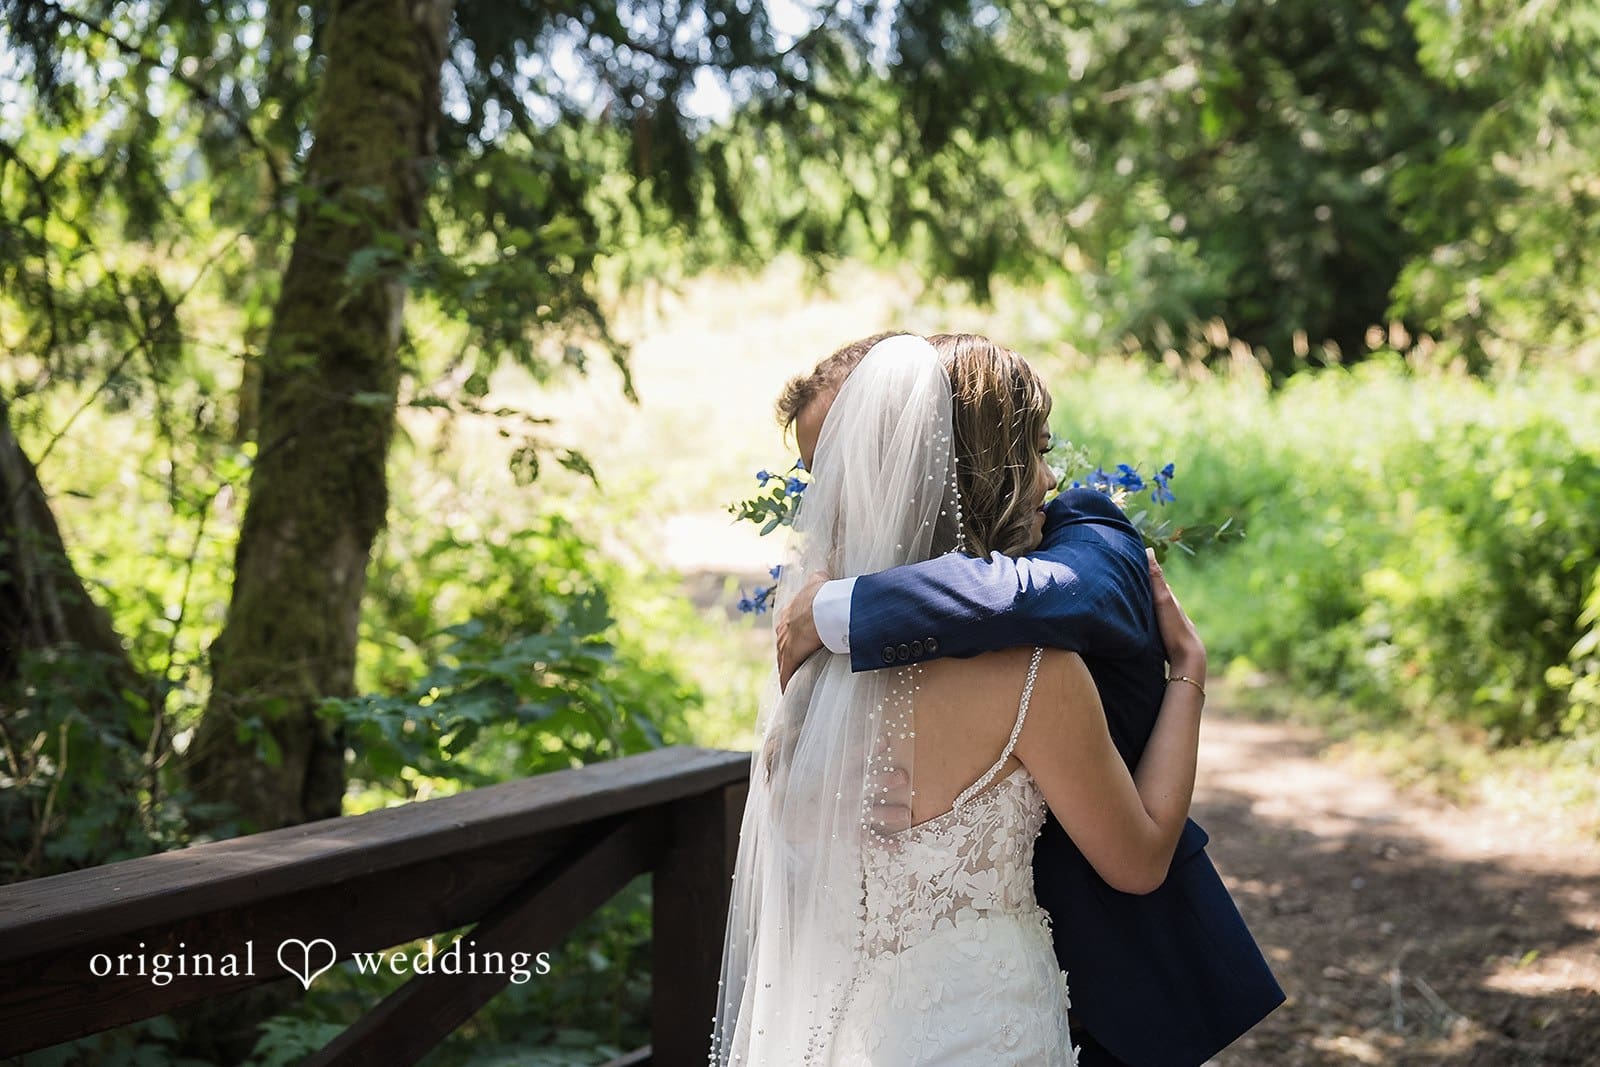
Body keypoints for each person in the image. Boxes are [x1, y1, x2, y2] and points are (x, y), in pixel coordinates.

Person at [710, 335, 1242, 1065]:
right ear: (986, 469)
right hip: (992, 1018)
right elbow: (1139, 856)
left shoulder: (813, 656)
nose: (1052, 477)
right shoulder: (1028, 670)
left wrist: (841, 610)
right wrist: (1190, 670)